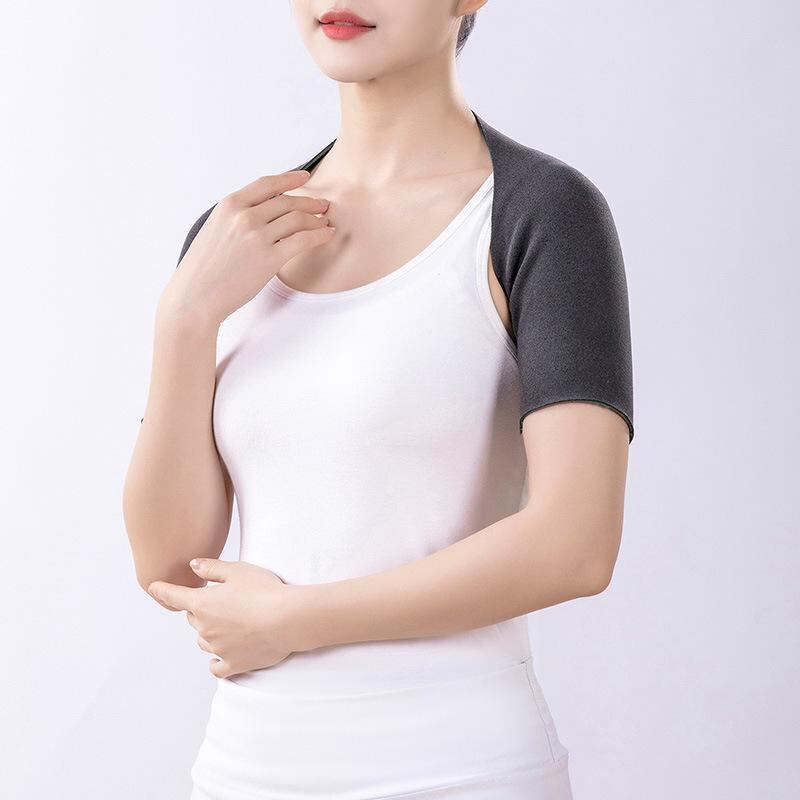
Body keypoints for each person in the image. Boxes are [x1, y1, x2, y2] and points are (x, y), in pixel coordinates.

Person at [123, 2, 634, 797]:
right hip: (247, 768)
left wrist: (296, 620)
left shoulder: (538, 213)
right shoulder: (233, 238)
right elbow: (168, 563)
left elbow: (576, 544)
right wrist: (184, 321)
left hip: (460, 767)